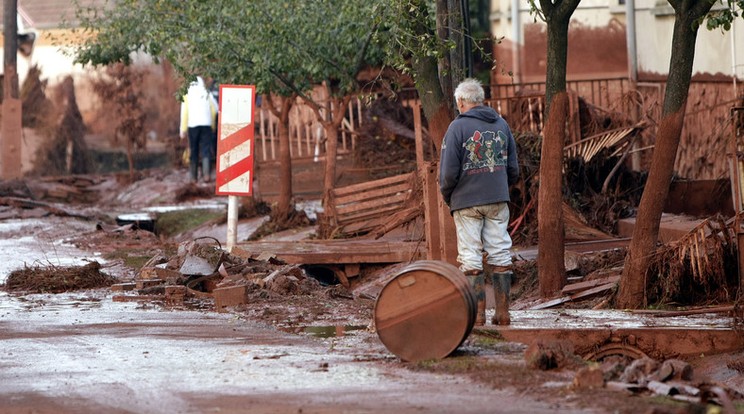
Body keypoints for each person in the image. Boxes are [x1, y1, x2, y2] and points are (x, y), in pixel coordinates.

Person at [439, 78, 520, 326]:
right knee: (500, 251)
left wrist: (448, 195)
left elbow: (448, 173)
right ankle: (503, 313)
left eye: (458, 102)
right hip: (497, 198)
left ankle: (477, 318)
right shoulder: (501, 124)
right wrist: (499, 186)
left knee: (471, 256)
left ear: (462, 102)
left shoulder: (456, 128)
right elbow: (513, 168)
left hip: (466, 201)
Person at [180, 76, 218, 183]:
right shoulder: (206, 92)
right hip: (206, 125)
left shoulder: (187, 94)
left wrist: (182, 130)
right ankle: (206, 175)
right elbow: (215, 109)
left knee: (194, 149)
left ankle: (193, 177)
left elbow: (185, 112)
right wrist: (213, 126)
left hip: (193, 125)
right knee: (206, 149)